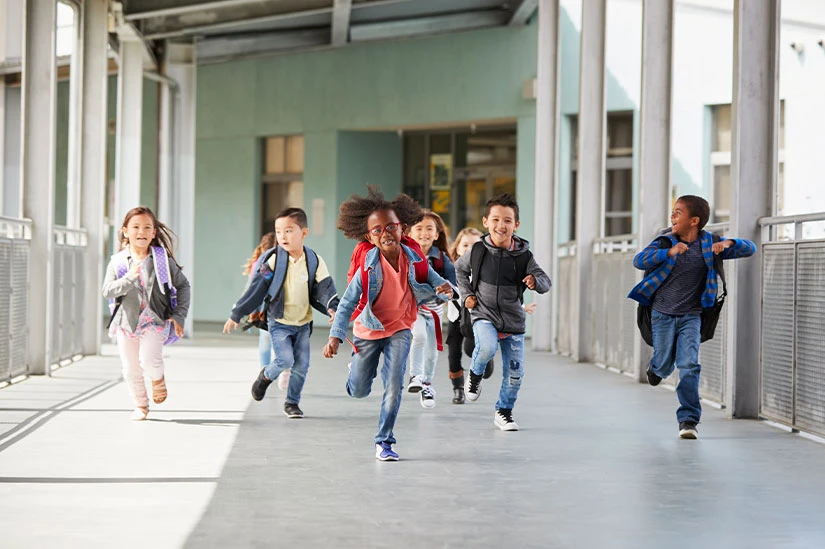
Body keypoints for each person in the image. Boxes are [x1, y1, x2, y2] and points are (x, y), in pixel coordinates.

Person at [323, 186, 453, 461]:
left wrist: (445, 288)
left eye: (391, 227)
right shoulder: (368, 266)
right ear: (369, 236)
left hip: (400, 329)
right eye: (377, 230)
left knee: (394, 385)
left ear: (402, 228)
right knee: (358, 390)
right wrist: (335, 337)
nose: (385, 234)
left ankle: (384, 441)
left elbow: (434, 279)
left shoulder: (415, 259)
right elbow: (346, 303)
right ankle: (356, 372)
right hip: (368, 330)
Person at [628, 195, 756, 439]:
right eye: (673, 212)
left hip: (691, 316)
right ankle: (656, 368)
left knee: (689, 365)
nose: (672, 216)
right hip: (662, 314)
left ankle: (688, 420)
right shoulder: (665, 241)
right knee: (665, 363)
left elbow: (750, 248)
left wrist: (728, 243)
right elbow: (639, 260)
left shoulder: (710, 245)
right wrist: (669, 253)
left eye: (678, 213)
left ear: (694, 221)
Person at [223, 208, 339, 419]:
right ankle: (266, 376)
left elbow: (325, 288)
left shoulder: (314, 260)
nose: (282, 236)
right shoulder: (273, 260)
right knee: (285, 360)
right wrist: (237, 313)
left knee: (302, 365)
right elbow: (256, 288)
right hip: (279, 321)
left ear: (304, 233)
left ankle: (292, 403)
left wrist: (333, 309)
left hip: (303, 323)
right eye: (278, 231)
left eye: (288, 231)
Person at [455, 193, 551, 431]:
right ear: (486, 222)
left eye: (507, 220)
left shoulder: (524, 255)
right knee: (486, 347)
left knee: (515, 374)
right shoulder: (478, 251)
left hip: (513, 321)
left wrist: (534, 281)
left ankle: (504, 411)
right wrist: (467, 295)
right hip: (483, 314)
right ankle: (475, 374)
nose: (501, 225)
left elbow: (546, 282)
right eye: (496, 219)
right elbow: (459, 269)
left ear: (515, 225)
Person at [102, 207, 190, 421]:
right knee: (130, 368)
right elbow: (107, 291)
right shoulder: (118, 262)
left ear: (153, 233)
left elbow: (183, 285)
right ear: (125, 231)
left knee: (149, 360)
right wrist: (129, 279)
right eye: (135, 227)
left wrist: (179, 315)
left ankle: (157, 378)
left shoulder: (162, 260)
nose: (141, 231)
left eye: (147, 227)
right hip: (126, 322)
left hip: (154, 320)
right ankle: (140, 404)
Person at [405, 209, 456, 409]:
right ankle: (415, 376)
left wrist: (449, 294)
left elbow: (452, 284)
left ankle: (427, 384)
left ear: (437, 234)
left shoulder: (442, 258)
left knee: (433, 353)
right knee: (419, 336)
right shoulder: (405, 255)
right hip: (413, 308)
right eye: (419, 228)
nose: (424, 233)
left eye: (429, 229)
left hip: (435, 311)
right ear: (409, 233)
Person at [242, 232, 289, 391]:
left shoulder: (263, 263)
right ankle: (276, 372)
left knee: (267, 340)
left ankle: (268, 370)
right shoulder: (268, 264)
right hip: (271, 309)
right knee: (275, 339)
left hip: (268, 309)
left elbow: (251, 289)